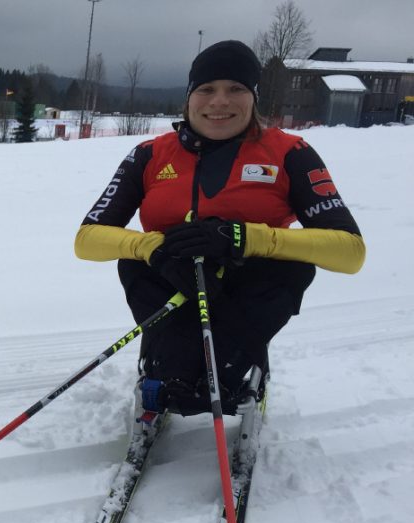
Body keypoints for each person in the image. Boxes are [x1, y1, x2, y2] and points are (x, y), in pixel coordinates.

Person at [75, 40, 365, 415]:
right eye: (207, 89)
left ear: (253, 97)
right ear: (189, 98)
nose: (220, 102)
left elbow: (349, 252)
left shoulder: (290, 152)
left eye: (236, 89)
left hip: (250, 288)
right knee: (131, 264)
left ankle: (239, 374)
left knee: (293, 267)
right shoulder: (149, 154)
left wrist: (244, 237)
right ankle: (165, 370)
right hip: (173, 281)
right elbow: (87, 239)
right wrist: (154, 249)